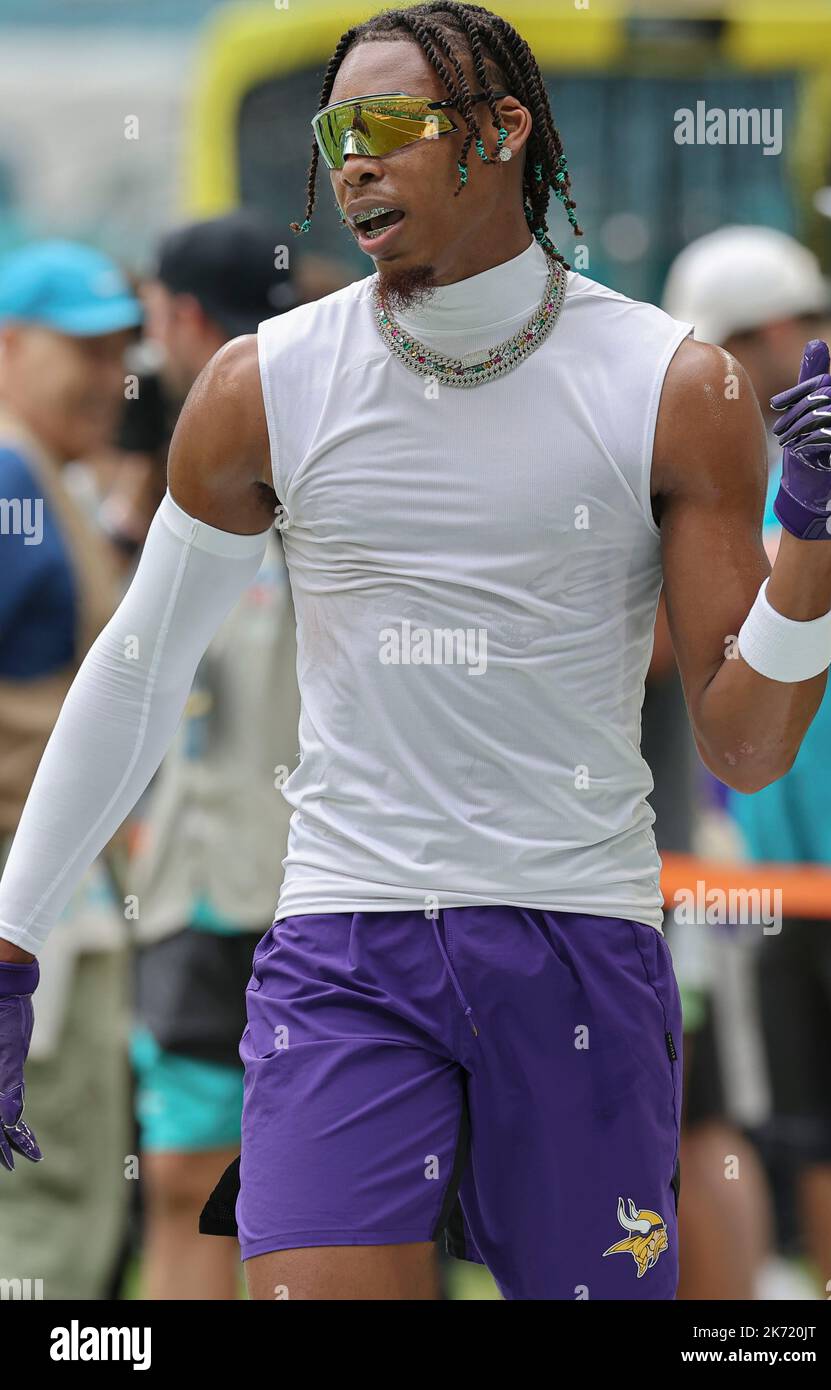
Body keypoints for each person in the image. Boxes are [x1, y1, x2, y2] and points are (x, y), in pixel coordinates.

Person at [2, 3, 831, 1302]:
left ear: (501, 130)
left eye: (390, 124)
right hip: (344, 947)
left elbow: (744, 735)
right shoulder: (261, 384)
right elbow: (134, 670)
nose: (352, 158)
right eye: (337, 129)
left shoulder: (670, 384)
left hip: (578, 944)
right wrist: (11, 932)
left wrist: (804, 545)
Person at [666, 222, 831, 1297]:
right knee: (814, 1139)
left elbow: (804, 599)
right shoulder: (721, 476)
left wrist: (813, 519)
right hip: (775, 870)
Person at [126, 212, 301, 1301]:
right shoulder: (341, 419)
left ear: (186, 317)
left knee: (206, 1175)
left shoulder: (264, 447)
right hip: (281, 880)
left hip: (251, 880)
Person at [0, 240, 141, 1297]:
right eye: (81, 350)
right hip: (23, 897)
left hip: (55, 893)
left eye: (119, 349)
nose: (109, 374)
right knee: (46, 1190)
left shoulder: (52, 479)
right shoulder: (10, 477)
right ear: (8, 345)